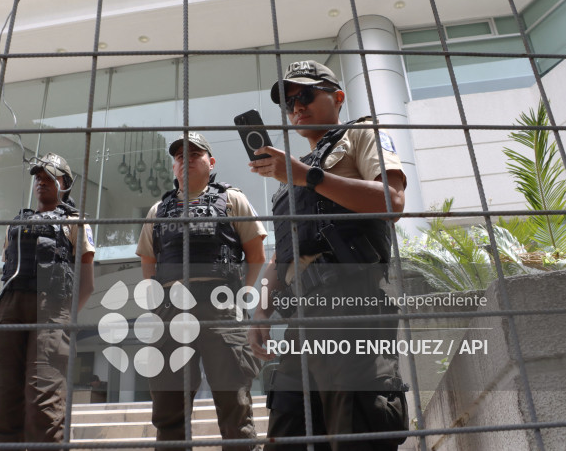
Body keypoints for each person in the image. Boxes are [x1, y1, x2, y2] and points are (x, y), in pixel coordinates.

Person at [248, 60, 409, 450]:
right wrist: (260, 311)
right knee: (286, 432)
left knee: (354, 430)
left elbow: (393, 200)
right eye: (289, 103)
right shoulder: (289, 180)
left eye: (305, 95)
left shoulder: (359, 135)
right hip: (302, 319)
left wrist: (307, 176)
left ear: (337, 97)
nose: (296, 107)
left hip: (352, 307)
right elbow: (281, 256)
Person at [136, 132, 267, 451]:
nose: (185, 159)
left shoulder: (233, 200)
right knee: (169, 408)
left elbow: (257, 256)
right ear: (173, 167)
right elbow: (149, 264)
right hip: (170, 315)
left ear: (211, 161)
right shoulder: (158, 211)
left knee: (234, 405)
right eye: (179, 156)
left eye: (194, 154)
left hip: (221, 311)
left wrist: (237, 298)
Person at [0, 152, 95, 445]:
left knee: (44, 406)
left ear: (65, 183)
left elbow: (86, 284)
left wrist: (63, 320)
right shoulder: (16, 223)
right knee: (5, 404)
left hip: (52, 312)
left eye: (50, 176)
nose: (41, 182)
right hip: (10, 311)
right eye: (38, 176)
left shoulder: (76, 221)